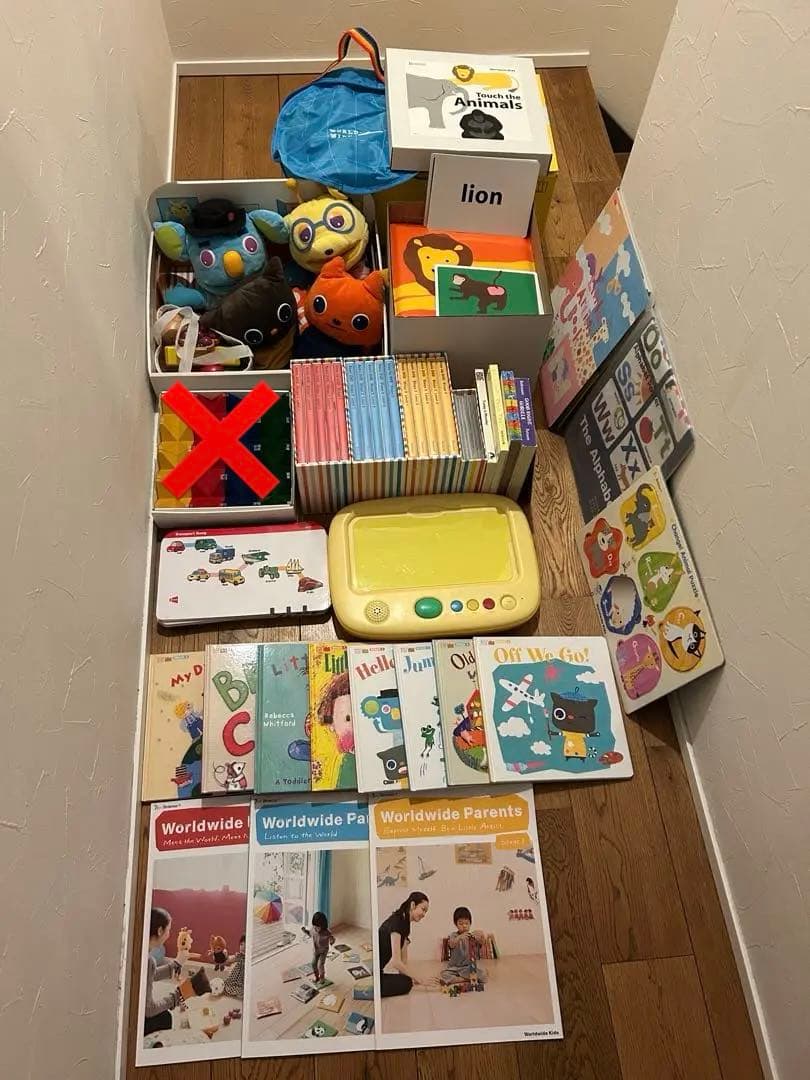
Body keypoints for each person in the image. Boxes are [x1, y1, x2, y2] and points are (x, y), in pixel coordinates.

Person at [144, 907, 210, 1036]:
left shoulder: (142, 953)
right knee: (165, 1018)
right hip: (136, 1019)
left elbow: (148, 975)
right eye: (168, 930)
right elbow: (149, 1010)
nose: (169, 934)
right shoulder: (148, 960)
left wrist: (177, 963)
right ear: (160, 930)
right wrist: (178, 995)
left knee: (164, 1015)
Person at [378, 891, 430, 997]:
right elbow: (395, 962)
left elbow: (403, 960)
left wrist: (409, 977)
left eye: (426, 912)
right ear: (413, 905)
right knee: (407, 983)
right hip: (374, 973)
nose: (424, 914)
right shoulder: (397, 921)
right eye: (423, 909)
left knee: (406, 981)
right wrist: (419, 979)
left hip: (379, 972)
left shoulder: (405, 923)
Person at [440, 906, 488, 986]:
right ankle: (465, 979)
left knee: (483, 975)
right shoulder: (454, 935)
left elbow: (482, 943)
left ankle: (461, 979)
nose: (464, 926)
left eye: (467, 923)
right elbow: (451, 944)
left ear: (470, 923)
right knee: (443, 975)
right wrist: (460, 937)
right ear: (456, 924)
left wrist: (481, 936)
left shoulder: (471, 937)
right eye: (461, 923)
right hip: (454, 968)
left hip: (468, 968)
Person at [303, 911, 335, 985]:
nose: (315, 928)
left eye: (317, 927)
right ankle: (316, 976)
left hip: (324, 951)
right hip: (316, 950)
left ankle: (322, 978)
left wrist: (332, 941)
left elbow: (331, 938)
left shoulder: (326, 932)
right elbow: (310, 933)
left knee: (320, 964)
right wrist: (305, 931)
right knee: (313, 964)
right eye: (314, 926)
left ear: (323, 926)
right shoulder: (313, 929)